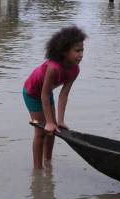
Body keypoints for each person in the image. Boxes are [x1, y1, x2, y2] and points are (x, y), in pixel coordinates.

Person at [23, 26, 86, 169]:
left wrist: (60, 121)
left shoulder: (75, 70)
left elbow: (63, 95)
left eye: (82, 50)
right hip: (32, 93)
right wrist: (49, 122)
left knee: (53, 130)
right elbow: (43, 94)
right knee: (41, 131)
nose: (81, 54)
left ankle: (48, 163)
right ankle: (37, 169)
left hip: (46, 93)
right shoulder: (53, 67)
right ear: (64, 51)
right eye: (77, 51)